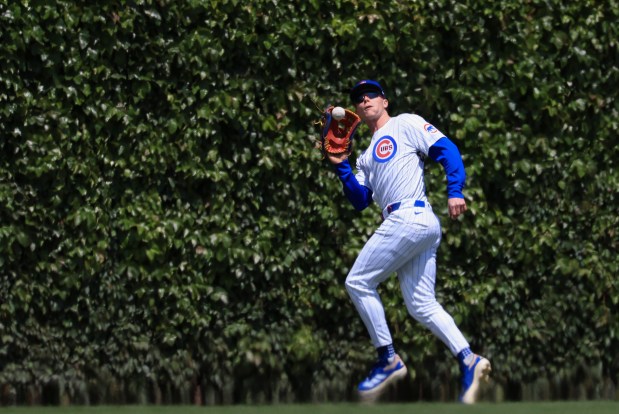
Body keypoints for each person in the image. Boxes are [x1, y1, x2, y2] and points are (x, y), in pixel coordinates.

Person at [326, 80, 491, 404]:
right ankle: (469, 359)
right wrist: (342, 168)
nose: (364, 100)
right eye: (358, 99)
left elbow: (447, 150)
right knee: (420, 304)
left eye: (371, 94)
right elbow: (360, 200)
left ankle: (388, 357)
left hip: (411, 218)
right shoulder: (364, 157)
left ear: (385, 101)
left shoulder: (406, 123)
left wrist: (455, 190)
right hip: (415, 225)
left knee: (357, 281)